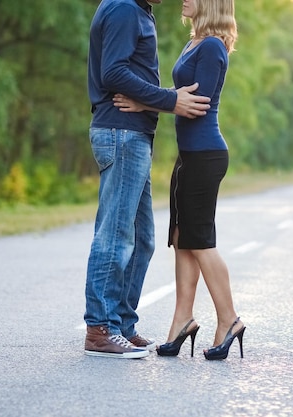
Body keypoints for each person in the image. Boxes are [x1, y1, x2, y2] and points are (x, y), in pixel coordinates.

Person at [114, 0, 245, 360]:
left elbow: (196, 104)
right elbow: (179, 100)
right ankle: (182, 320)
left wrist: (144, 103)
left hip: (205, 155)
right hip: (190, 156)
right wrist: (158, 99)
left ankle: (229, 320)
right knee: (181, 239)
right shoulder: (196, 42)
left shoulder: (213, 46)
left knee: (200, 241)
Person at [83, 0, 211, 360]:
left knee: (142, 240)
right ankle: (100, 329)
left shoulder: (139, 10)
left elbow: (130, 77)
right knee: (116, 235)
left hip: (133, 134)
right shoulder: (125, 8)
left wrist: (154, 104)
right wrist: (170, 101)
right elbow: (114, 73)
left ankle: (121, 323)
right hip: (121, 134)